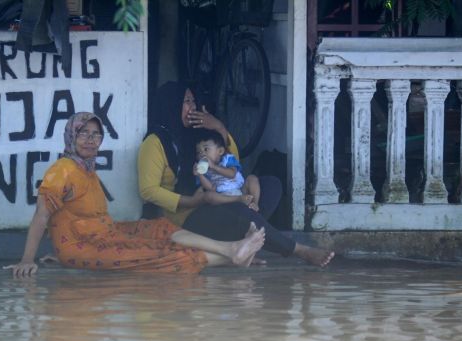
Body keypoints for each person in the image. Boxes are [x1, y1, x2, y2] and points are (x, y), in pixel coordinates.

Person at [5, 112, 266, 278]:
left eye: (96, 134)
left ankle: (231, 250)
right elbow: (41, 215)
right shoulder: (62, 170)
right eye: (83, 133)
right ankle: (233, 255)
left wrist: (67, 256)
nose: (90, 140)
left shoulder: (84, 168)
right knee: (156, 253)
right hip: (88, 245)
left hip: (103, 236)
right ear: (71, 135)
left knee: (159, 228)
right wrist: (28, 259)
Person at [138, 81, 334, 267]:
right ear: (170, 105)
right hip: (186, 214)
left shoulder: (197, 134)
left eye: (193, 101)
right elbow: (148, 191)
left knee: (271, 185)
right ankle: (299, 250)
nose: (193, 106)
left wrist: (219, 128)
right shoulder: (155, 142)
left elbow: (233, 163)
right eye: (186, 101)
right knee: (242, 212)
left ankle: (248, 245)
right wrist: (191, 201)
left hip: (217, 196)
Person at [193, 128, 261, 211]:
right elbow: (211, 188)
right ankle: (238, 200)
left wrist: (214, 166)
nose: (202, 154)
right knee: (208, 196)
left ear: (220, 151)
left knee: (252, 178)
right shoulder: (204, 170)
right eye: (198, 152)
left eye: (206, 149)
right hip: (223, 197)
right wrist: (200, 174)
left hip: (240, 190)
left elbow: (232, 174)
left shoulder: (228, 159)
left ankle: (254, 204)